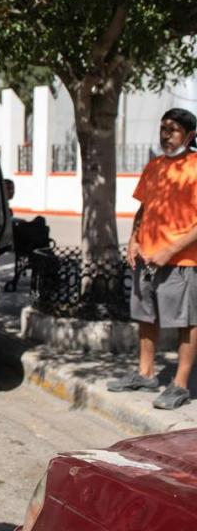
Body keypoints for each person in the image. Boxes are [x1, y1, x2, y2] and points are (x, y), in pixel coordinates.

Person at [108, 108, 197, 410]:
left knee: (187, 322)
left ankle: (180, 384)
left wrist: (170, 250)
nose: (165, 135)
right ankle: (145, 373)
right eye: (163, 129)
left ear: (190, 135)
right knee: (146, 317)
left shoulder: (195, 166)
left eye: (172, 130)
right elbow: (144, 208)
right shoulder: (154, 166)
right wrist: (134, 239)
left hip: (181, 261)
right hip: (146, 259)